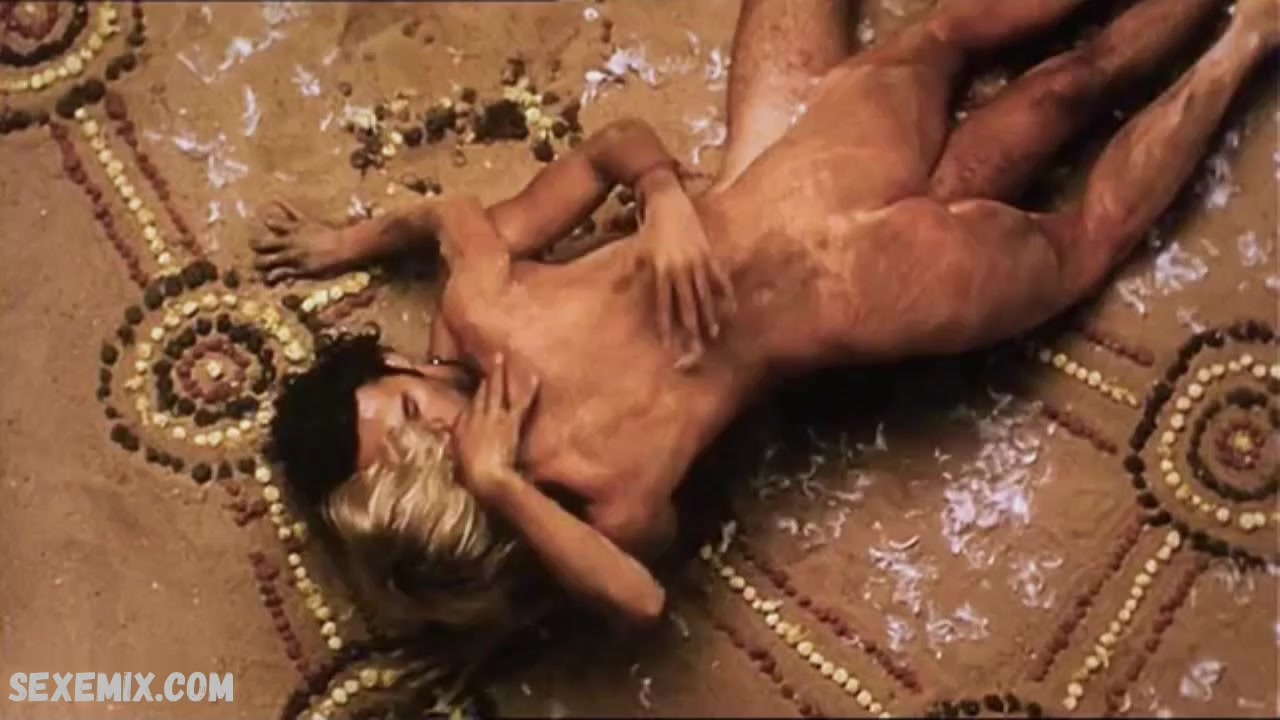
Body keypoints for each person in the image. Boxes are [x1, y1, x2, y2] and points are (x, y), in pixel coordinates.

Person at [256, 0, 1277, 636]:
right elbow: (640, 602)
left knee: (1031, 72)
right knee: (1078, 240)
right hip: (872, 297)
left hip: (805, 170)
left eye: (404, 413)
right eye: (408, 460)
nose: (432, 435)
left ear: (404, 366)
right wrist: (500, 486)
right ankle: (1249, 36)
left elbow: (462, 213)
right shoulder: (593, 491)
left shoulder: (484, 307)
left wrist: (660, 198)